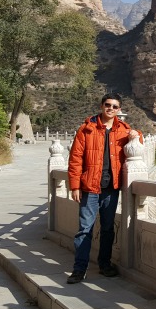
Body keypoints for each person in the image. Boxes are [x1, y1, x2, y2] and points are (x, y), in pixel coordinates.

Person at [66, 93, 143, 284]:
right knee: (85, 229)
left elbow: (138, 143)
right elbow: (75, 159)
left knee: (108, 229)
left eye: (115, 106)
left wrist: (137, 135)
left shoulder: (123, 129)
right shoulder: (86, 129)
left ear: (119, 110)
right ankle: (79, 269)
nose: (110, 108)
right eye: (107, 105)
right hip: (90, 188)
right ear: (101, 106)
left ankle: (104, 264)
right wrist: (74, 186)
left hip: (111, 188)